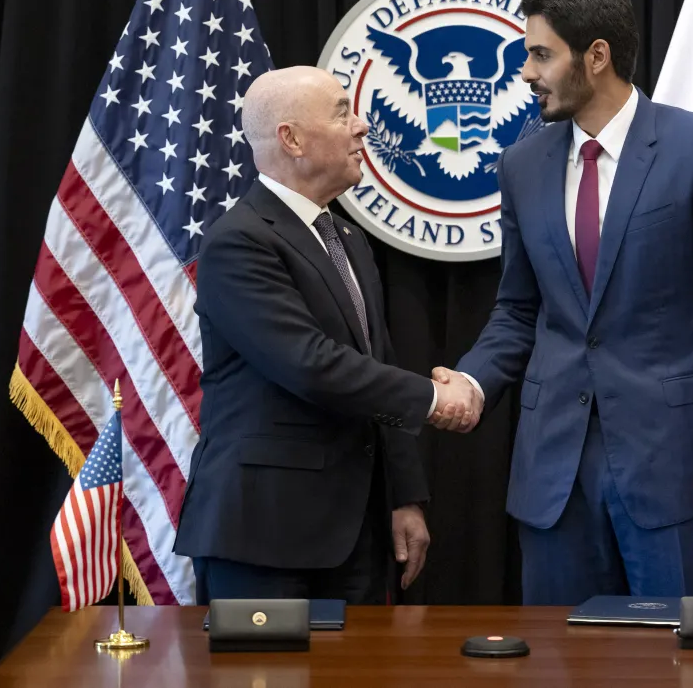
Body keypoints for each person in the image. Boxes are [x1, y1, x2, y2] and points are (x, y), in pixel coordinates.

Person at [432, 0, 693, 604]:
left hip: (673, 473)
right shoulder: (522, 164)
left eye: (541, 54)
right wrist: (474, 381)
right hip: (552, 478)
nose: (527, 72)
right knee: (560, 667)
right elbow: (518, 309)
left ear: (597, 56)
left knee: (678, 670)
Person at [174, 66, 475, 604]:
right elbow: (310, 364)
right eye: (342, 113)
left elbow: (377, 358)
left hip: (356, 534)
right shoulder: (239, 242)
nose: (361, 127)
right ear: (291, 138)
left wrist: (405, 495)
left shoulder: (348, 240)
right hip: (263, 534)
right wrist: (433, 398)